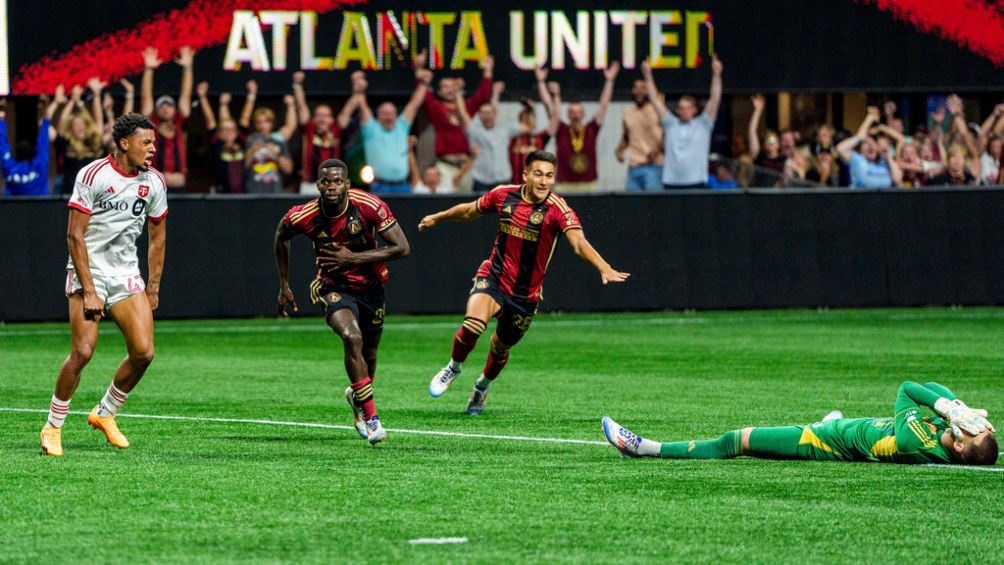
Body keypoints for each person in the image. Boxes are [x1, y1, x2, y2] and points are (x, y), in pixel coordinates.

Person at [418, 150, 629, 415]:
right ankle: (453, 367)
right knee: (473, 324)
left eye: (550, 176)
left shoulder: (558, 210)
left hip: (525, 296)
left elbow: (578, 242)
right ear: (525, 175)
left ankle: (482, 387)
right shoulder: (503, 195)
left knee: (500, 346)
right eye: (538, 174)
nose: (544, 181)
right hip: (493, 276)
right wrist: (439, 216)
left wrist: (604, 267)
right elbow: (470, 211)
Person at [39, 113, 168, 456]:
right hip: (88, 271)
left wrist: (152, 287)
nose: (153, 149)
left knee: (144, 353)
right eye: (147, 142)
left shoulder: (154, 182)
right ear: (124, 143)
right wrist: (90, 290)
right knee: (82, 351)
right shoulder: (93, 174)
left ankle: (105, 413)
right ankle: (52, 426)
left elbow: (157, 239)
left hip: (125, 274)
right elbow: (74, 235)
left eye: (153, 143)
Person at [274, 159, 410, 445]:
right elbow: (280, 235)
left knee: (370, 354)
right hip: (331, 286)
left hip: (371, 287)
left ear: (347, 184)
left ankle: (357, 399)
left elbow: (402, 248)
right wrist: (284, 284)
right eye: (326, 182)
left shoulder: (369, 205)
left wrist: (354, 258)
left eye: (338, 181)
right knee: (351, 336)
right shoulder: (304, 215)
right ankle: (373, 419)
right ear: (318, 185)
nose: (332, 187)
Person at [603, 381, 997, 466]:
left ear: (960, 446)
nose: (968, 424)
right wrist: (954, 405)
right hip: (843, 431)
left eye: (971, 429)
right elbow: (931, 387)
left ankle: (645, 448)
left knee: (736, 439)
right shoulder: (941, 439)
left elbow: (910, 388)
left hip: (823, 441)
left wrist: (947, 407)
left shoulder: (917, 442)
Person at [416, 51, 494, 193]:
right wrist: (418, 69)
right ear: (439, 92)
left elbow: (482, 96)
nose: (450, 89)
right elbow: (424, 96)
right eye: (445, 86)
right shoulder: (437, 109)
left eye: (452, 86)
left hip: (466, 164)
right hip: (445, 165)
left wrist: (488, 71)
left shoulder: (466, 108)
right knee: (447, 203)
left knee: (467, 204)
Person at [642, 54, 723, 189]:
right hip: (671, 182)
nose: (684, 111)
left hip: (696, 182)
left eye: (688, 108)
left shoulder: (703, 124)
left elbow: (715, 99)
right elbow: (655, 99)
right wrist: (647, 75)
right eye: (681, 108)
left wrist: (716, 75)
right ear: (677, 111)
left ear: (694, 110)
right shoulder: (670, 123)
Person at [550, 62, 619, 192]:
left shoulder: (591, 129)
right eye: (572, 113)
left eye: (578, 112)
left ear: (583, 114)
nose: (576, 116)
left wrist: (609, 81)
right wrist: (556, 96)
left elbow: (603, 106)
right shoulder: (562, 130)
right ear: (568, 115)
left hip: (589, 185)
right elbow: (554, 114)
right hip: (565, 186)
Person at [356, 69, 428, 194]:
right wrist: (359, 88)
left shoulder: (402, 126)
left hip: (403, 186)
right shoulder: (371, 128)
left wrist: (424, 83)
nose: (388, 116)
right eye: (384, 113)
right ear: (377, 116)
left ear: (396, 115)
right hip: (380, 187)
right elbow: (362, 107)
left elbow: (415, 104)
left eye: (391, 113)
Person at [460, 81, 533, 193]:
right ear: (479, 115)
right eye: (484, 113)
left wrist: (530, 109)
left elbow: (528, 127)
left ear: (495, 114)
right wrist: (457, 95)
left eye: (490, 113)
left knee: (504, 210)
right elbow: (462, 114)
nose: (487, 116)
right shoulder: (474, 130)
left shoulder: (505, 128)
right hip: (481, 179)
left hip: (502, 179)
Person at [293, 71, 358, 194]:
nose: (322, 118)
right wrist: (297, 85)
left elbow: (348, 109)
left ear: (332, 118)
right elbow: (301, 105)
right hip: (310, 184)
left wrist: (357, 91)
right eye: (319, 115)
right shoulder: (309, 129)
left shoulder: (336, 128)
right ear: (313, 118)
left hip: (333, 185)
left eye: (326, 115)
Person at [141, 46, 193, 190]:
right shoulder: (151, 123)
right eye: (161, 106)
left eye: (169, 105)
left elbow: (186, 95)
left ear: (175, 109)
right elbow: (146, 98)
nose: (165, 108)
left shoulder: (179, 121)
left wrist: (188, 68)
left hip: (177, 185)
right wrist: (149, 70)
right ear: (156, 110)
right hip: (153, 186)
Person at [196, 80, 253, 193]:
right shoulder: (216, 144)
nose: (229, 132)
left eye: (232, 129)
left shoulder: (241, 142)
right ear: (219, 133)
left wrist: (252, 95)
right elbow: (210, 120)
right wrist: (202, 97)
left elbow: (245, 119)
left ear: (237, 132)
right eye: (225, 129)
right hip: (221, 195)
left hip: (243, 194)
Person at [509, 68, 559, 185]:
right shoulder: (511, 138)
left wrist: (541, 83)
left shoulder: (540, 138)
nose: (528, 123)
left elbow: (555, 118)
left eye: (531, 119)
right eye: (524, 119)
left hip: (536, 188)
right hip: (516, 188)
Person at [616, 75, 664, 191]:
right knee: (631, 207)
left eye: (643, 88)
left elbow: (667, 134)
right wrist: (619, 150)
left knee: (653, 207)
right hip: (634, 167)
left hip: (654, 167)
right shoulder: (628, 112)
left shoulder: (657, 110)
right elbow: (627, 136)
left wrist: (657, 149)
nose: (638, 91)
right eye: (635, 88)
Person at [836, 106, 902, 189]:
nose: (870, 145)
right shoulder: (857, 159)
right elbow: (840, 149)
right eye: (865, 143)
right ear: (860, 148)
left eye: (873, 143)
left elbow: (898, 180)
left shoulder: (885, 162)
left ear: (878, 147)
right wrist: (860, 136)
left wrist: (888, 157)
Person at [0, 98, 54, 196]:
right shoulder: (40, 164)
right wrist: (45, 106)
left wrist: (2, 110)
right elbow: (43, 140)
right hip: (42, 209)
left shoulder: (9, 167)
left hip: (13, 211)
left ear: (16, 153)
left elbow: (2, 142)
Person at [244, 99, 296, 193]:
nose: (262, 126)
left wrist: (276, 154)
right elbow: (244, 167)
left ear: (272, 123)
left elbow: (289, 169)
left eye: (266, 122)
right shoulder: (250, 140)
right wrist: (252, 150)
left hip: (275, 189)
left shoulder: (278, 140)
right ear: (254, 124)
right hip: (253, 190)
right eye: (258, 122)